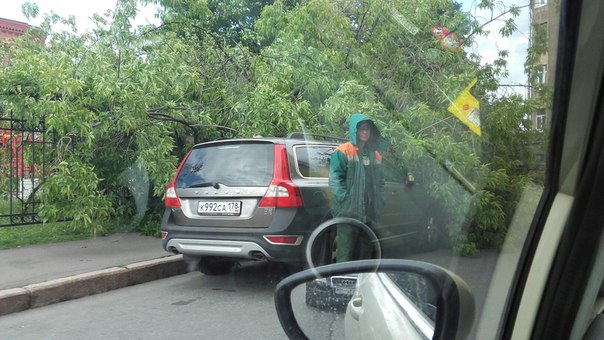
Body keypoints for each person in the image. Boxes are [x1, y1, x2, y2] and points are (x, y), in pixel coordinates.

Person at [328, 113, 386, 262]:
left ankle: (362, 282)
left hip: (368, 212)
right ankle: (342, 282)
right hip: (348, 212)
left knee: (366, 249)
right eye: (362, 129)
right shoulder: (343, 151)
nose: (365, 132)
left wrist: (380, 199)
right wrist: (346, 201)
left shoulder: (376, 155)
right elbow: (335, 181)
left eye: (368, 129)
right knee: (345, 250)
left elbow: (381, 182)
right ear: (355, 130)